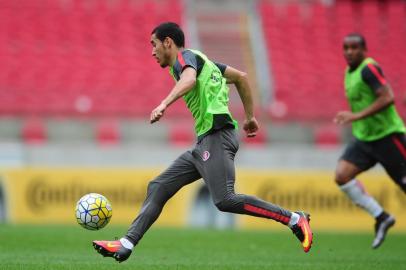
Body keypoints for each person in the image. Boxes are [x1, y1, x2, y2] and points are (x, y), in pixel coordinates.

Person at [92, 22, 313, 262]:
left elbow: (189, 80)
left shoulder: (186, 59)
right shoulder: (205, 63)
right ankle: (126, 244)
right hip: (205, 142)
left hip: (217, 136)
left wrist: (164, 103)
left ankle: (293, 218)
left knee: (224, 199)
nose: (152, 51)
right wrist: (249, 117)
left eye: (154, 44)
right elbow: (241, 77)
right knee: (159, 186)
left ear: (168, 42)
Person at [334, 33, 406, 249]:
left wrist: (355, 116)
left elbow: (387, 97)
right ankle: (381, 216)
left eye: (354, 47)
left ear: (364, 49)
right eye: (345, 47)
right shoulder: (349, 72)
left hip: (388, 137)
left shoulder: (369, 68)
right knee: (342, 175)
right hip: (365, 140)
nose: (349, 51)